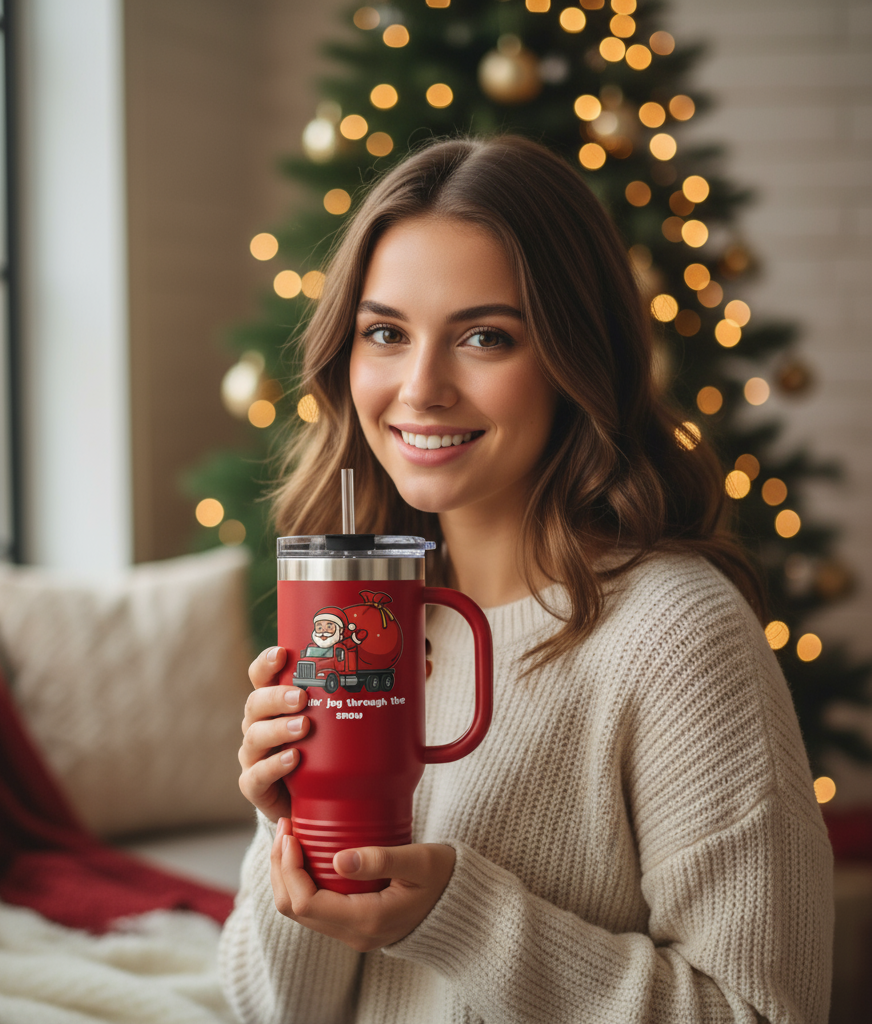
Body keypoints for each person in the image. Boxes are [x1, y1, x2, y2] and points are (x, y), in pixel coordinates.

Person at [219, 136, 833, 1024]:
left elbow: (764, 1012)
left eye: (485, 337)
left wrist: (458, 919)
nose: (421, 388)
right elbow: (267, 1011)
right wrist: (299, 825)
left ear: (573, 359)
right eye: (385, 333)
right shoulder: (359, 615)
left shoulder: (678, 634)